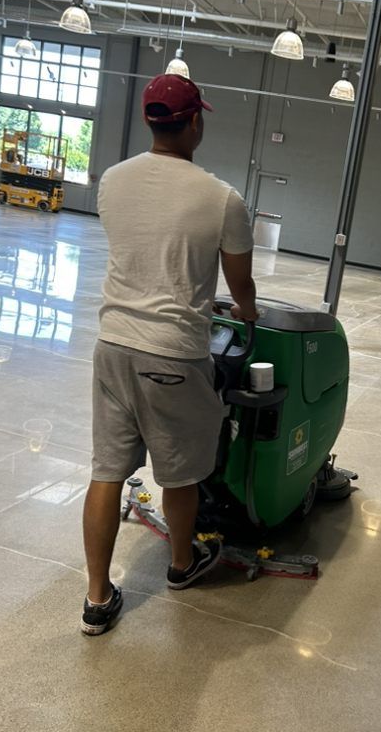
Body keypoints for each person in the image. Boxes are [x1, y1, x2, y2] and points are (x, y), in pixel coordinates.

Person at [80, 74, 258, 636]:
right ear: (196, 122)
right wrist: (245, 315)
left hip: (112, 345)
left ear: (149, 120)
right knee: (179, 475)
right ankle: (182, 565)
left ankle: (97, 596)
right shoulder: (222, 198)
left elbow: (140, 250)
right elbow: (243, 286)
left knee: (107, 471)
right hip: (174, 355)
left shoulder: (112, 180)